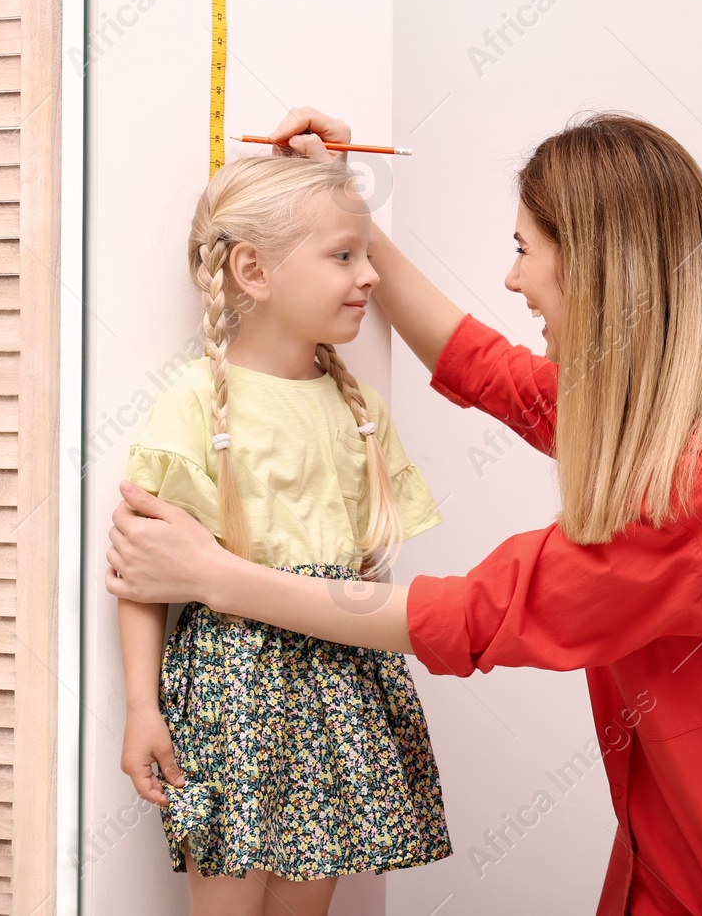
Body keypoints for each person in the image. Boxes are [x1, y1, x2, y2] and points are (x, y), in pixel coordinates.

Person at [108, 105, 702, 916]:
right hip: (673, 868)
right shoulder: (654, 424)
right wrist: (352, 227)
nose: (513, 278)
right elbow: (488, 370)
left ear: (596, 268)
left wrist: (219, 576)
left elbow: (468, 614)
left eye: (524, 249)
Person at [114, 153, 452, 916]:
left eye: (366, 254)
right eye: (344, 255)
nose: (370, 276)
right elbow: (141, 572)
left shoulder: (354, 404)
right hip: (233, 689)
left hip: (337, 683)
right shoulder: (199, 401)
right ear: (252, 270)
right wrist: (143, 707)